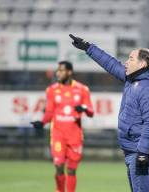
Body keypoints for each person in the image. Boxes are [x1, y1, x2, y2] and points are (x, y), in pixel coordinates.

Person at [69, 34, 149, 192]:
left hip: (139, 151)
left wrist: (143, 152)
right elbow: (111, 63)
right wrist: (88, 48)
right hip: (132, 150)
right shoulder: (133, 78)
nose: (126, 62)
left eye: (131, 58)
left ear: (142, 63)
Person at [31, 61, 94, 192]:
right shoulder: (52, 90)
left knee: (71, 170)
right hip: (58, 134)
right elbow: (49, 112)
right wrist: (42, 122)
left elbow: (91, 112)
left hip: (75, 136)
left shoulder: (83, 89)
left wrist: (83, 108)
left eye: (61, 70)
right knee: (59, 165)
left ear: (69, 72)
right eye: (57, 70)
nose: (58, 73)